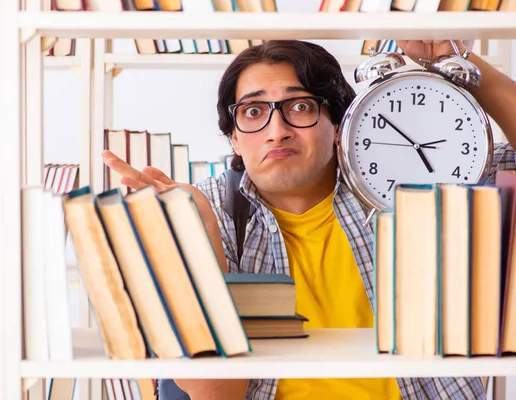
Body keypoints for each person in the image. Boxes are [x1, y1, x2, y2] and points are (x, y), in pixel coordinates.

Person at [102, 39, 516, 400]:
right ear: (234, 136)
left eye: (299, 106)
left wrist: (456, 57)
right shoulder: (204, 211)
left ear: (339, 124)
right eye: (253, 112)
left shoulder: (403, 185)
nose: (276, 129)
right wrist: (197, 239)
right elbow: (217, 395)